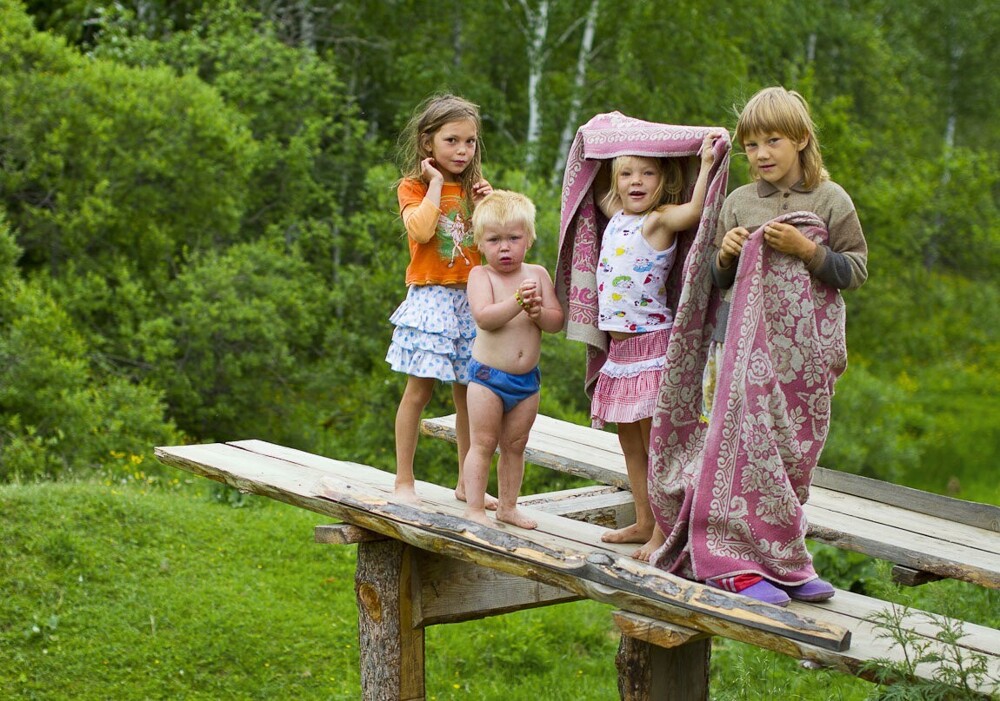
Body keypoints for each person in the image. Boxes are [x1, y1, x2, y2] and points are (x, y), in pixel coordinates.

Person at [650, 86, 868, 607]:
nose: (762, 153)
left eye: (773, 140)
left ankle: (784, 560)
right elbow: (716, 282)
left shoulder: (831, 200)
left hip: (805, 356)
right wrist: (725, 256)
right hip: (739, 348)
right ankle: (731, 562)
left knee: (793, 454)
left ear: (801, 140)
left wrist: (808, 250)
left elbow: (855, 270)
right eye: (751, 144)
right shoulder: (739, 202)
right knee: (741, 446)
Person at [590, 132, 721, 559]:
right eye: (626, 173)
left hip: (651, 349)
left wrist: (703, 164)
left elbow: (696, 211)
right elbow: (589, 175)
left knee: (657, 445)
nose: (636, 181)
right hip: (620, 354)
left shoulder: (659, 220)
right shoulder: (614, 215)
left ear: (662, 182)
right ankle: (644, 519)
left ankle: (661, 531)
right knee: (630, 444)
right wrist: (592, 140)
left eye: (647, 173)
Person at [386, 94, 494, 505]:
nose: (463, 150)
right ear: (428, 143)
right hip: (432, 298)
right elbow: (422, 231)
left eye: (470, 142)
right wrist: (434, 185)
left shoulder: (474, 190)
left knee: (470, 392)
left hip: (471, 298)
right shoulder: (413, 186)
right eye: (452, 141)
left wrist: (486, 207)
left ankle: (469, 484)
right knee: (420, 390)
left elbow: (493, 247)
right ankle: (404, 481)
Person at [461, 190, 564, 529]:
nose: (504, 247)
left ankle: (507, 507)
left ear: (529, 239)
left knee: (516, 445)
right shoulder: (482, 276)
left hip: (526, 382)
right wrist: (518, 302)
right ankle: (475, 507)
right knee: (484, 443)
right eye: (494, 240)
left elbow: (555, 321)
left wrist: (537, 311)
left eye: (513, 238)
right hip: (488, 379)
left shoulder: (537, 274)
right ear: (480, 243)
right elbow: (484, 317)